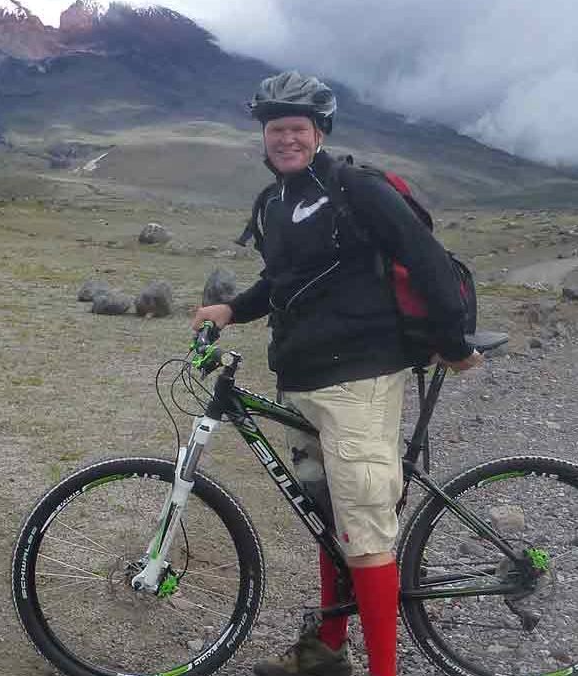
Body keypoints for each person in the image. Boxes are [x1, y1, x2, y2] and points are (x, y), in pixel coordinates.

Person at [191, 71, 481, 676]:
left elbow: (424, 257)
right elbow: (283, 281)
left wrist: (453, 343)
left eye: (297, 128)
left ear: (318, 131)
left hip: (360, 381)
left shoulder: (357, 188)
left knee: (365, 527)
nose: (286, 139)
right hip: (302, 381)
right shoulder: (276, 203)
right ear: (265, 137)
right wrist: (232, 309)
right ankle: (325, 655)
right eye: (276, 129)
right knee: (330, 520)